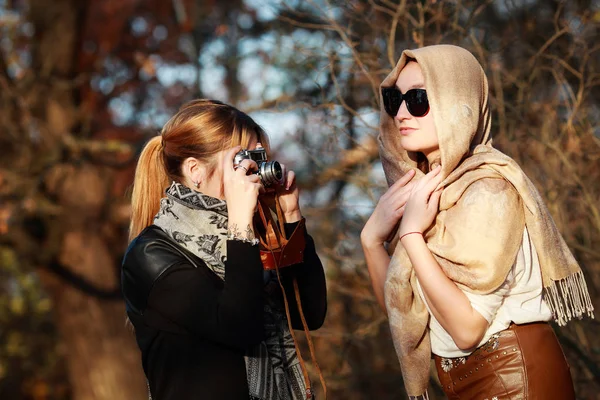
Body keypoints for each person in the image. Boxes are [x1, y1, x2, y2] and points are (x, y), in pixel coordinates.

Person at [361, 44, 594, 400]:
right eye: (395, 100)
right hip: (467, 382)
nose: (402, 113)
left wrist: (410, 235)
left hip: (515, 379)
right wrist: (371, 240)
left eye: (419, 98)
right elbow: (406, 315)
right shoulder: (429, 195)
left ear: (458, 103)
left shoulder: (488, 190)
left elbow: (467, 329)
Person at [121, 99, 327, 400]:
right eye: (240, 161)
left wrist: (291, 217)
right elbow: (239, 327)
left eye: (257, 159)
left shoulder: (251, 239)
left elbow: (309, 314)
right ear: (195, 170)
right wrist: (241, 224)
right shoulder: (152, 254)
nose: (252, 172)